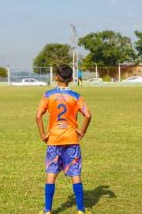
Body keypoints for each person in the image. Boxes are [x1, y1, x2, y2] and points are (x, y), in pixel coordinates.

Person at [36, 64, 92, 214]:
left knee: (51, 174)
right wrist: (82, 132)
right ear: (72, 79)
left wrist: (43, 134)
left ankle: (47, 210)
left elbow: (38, 115)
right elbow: (88, 115)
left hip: (54, 139)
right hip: (72, 139)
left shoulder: (48, 95)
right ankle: (80, 210)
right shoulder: (77, 97)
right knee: (75, 174)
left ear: (55, 77)